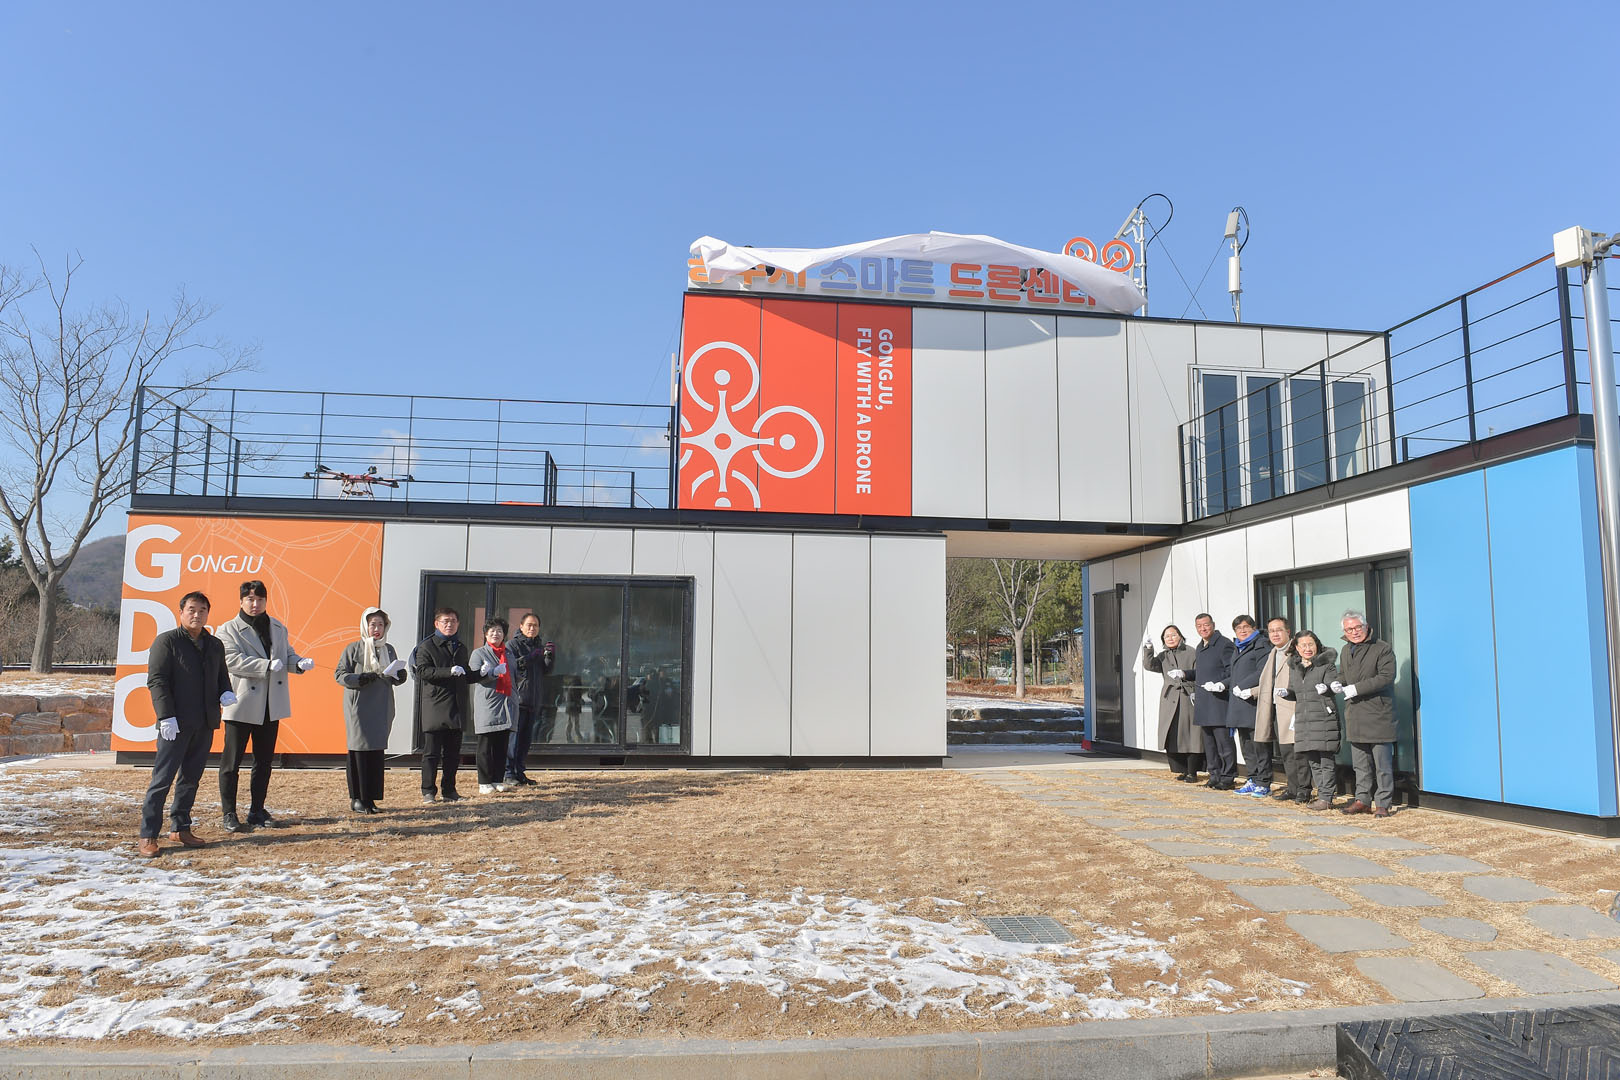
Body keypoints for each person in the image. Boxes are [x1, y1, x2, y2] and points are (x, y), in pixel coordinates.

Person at [139, 591, 235, 855]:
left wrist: (225, 692)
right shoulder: (167, 641)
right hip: (175, 723)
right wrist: (165, 715)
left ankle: (180, 828)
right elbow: (157, 681)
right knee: (162, 780)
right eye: (192, 609)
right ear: (181, 612)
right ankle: (148, 834)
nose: (197, 615)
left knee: (191, 778)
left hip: (204, 722)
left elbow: (221, 675)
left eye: (202, 610)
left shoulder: (214, 644)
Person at [217, 580, 313, 832]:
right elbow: (230, 660)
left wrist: (298, 663)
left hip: (271, 703)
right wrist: (265, 665)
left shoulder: (277, 627)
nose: (255, 604)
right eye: (250, 599)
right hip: (242, 703)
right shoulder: (228, 629)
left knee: (264, 762)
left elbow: (287, 655)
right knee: (231, 763)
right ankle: (229, 813)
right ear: (241, 601)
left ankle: (257, 810)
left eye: (260, 599)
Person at [334, 607, 409, 813]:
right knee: (359, 750)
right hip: (359, 706)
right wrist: (359, 678)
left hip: (382, 706)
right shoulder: (353, 648)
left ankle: (371, 799)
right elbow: (339, 674)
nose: (377, 629)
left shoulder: (389, 649)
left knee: (376, 752)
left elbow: (392, 675)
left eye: (381, 625)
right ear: (365, 626)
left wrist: (400, 676)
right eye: (373, 624)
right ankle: (358, 798)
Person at [1333, 610, 1398, 818]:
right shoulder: (1346, 650)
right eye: (1349, 629)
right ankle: (1362, 800)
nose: (1354, 632)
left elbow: (1386, 677)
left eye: (1357, 627)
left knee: (1382, 765)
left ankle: (1383, 803)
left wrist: (1357, 688)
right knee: (1360, 765)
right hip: (1355, 713)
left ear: (1366, 626)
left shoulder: (1382, 648)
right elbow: (1344, 675)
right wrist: (1338, 683)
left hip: (1378, 713)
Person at [413, 606, 477, 803]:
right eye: (445, 621)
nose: (450, 625)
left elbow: (465, 674)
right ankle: (428, 791)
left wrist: (485, 674)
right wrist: (448, 671)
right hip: (435, 705)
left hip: (456, 706)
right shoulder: (427, 646)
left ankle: (449, 791)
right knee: (431, 753)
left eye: (453, 621)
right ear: (437, 624)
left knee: (452, 754)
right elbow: (422, 671)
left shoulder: (460, 647)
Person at [1254, 616, 1309, 804]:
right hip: (1276, 708)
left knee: (1298, 752)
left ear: (1288, 632)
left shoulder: (1296, 652)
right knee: (1286, 752)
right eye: (1271, 631)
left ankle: (1304, 790)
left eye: (1279, 630)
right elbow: (1269, 682)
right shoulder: (1273, 653)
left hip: (1293, 707)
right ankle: (1292, 788)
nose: (1275, 634)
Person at [1286, 630, 1341, 811]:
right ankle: (1323, 796)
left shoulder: (1326, 664)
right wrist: (1286, 693)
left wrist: (1326, 687)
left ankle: (1326, 798)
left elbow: (1333, 685)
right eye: (1303, 645)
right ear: (1296, 647)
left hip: (1323, 717)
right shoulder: (1294, 667)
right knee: (1313, 761)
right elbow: (1294, 691)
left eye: (1311, 644)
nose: (1307, 648)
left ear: (1317, 644)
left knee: (1326, 760)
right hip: (1304, 719)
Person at [1142, 625, 1202, 781]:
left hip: (1188, 697)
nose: (1170, 638)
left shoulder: (1191, 652)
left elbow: (1199, 673)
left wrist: (1193, 688)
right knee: (1173, 735)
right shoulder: (1163, 655)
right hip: (1169, 700)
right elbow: (1149, 665)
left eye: (1173, 635)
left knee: (1191, 735)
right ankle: (1181, 769)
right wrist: (1148, 648)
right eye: (1166, 636)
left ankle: (1192, 771)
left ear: (1180, 636)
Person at [504, 613, 554, 786]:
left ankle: (520, 772)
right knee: (513, 739)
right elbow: (512, 666)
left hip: (533, 699)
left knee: (525, 741)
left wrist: (549, 656)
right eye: (529, 625)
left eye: (535, 625)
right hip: (518, 699)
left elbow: (546, 671)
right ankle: (508, 773)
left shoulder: (538, 645)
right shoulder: (513, 644)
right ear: (521, 626)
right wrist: (529, 657)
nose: (532, 628)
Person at [467, 618, 517, 793]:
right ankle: (484, 782)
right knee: (485, 745)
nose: (496, 634)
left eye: (500, 631)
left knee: (501, 745)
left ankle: (497, 779)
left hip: (506, 702)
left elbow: (514, 676)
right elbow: (474, 676)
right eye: (492, 631)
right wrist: (491, 673)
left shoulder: (509, 653)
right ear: (486, 634)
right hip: (488, 703)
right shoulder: (479, 653)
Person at [1226, 615, 1272, 797]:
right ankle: (1252, 778)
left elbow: (1263, 671)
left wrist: (1243, 685)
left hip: (1253, 702)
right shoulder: (1238, 647)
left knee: (1259, 745)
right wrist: (1224, 684)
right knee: (1246, 745)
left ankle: (1264, 782)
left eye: (1246, 627)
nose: (1242, 631)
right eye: (1238, 628)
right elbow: (1234, 674)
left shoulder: (1261, 644)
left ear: (1254, 628)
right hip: (1239, 704)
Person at [1192, 613, 1238, 790]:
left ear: (1213, 624)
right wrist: (1186, 674)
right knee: (1209, 745)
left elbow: (1232, 671)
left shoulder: (1224, 644)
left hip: (1219, 702)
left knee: (1224, 743)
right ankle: (1214, 775)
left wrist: (1221, 684)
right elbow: (1203, 672)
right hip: (1204, 702)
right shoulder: (1200, 646)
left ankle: (1228, 777)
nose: (1203, 629)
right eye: (1199, 626)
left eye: (1206, 625)